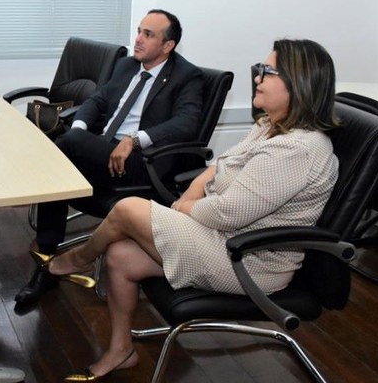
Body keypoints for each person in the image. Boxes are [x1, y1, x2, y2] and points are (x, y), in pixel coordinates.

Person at [44, 39, 340, 381]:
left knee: (127, 208)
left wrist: (184, 207)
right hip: (221, 237)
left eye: (268, 72)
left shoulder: (298, 150)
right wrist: (193, 193)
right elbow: (219, 166)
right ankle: (120, 350)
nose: (258, 78)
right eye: (261, 69)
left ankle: (78, 258)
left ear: (299, 82)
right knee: (120, 255)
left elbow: (228, 214)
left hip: (251, 260)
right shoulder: (269, 126)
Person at [14, 9, 204, 304]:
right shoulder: (127, 66)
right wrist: (79, 130)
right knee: (65, 154)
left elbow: (186, 123)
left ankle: (47, 253)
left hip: (143, 164)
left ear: (168, 45)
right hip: (103, 153)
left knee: (60, 156)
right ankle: (49, 261)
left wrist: (134, 140)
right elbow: (97, 100)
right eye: (139, 31)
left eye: (148, 34)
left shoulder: (187, 76)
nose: (138, 39)